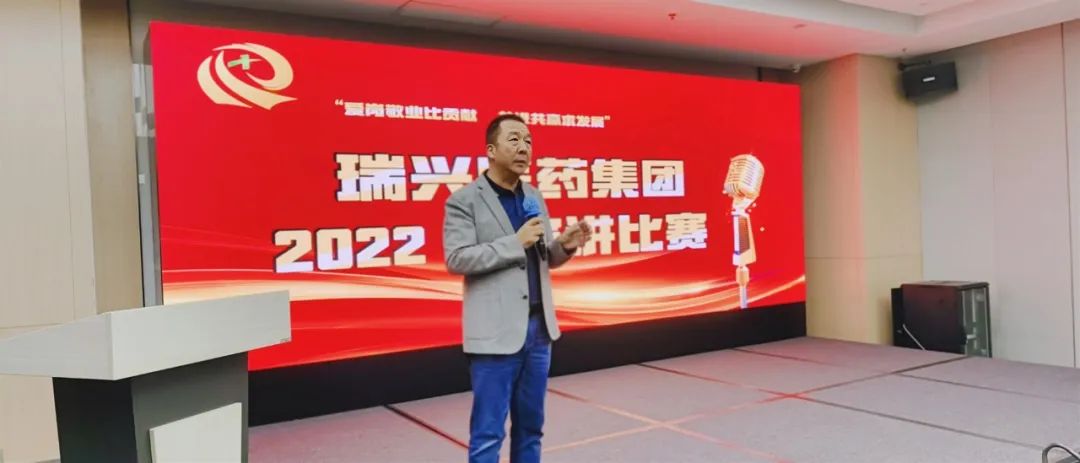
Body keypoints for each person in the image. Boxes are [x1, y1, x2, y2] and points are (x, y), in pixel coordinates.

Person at [443, 114, 592, 463]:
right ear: (490, 150)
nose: (524, 148)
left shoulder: (533, 196)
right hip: (496, 335)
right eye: (514, 140)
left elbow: (543, 258)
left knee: (531, 428)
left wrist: (565, 246)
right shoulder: (464, 200)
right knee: (488, 435)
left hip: (539, 332)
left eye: (528, 141)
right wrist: (514, 242)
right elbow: (457, 259)